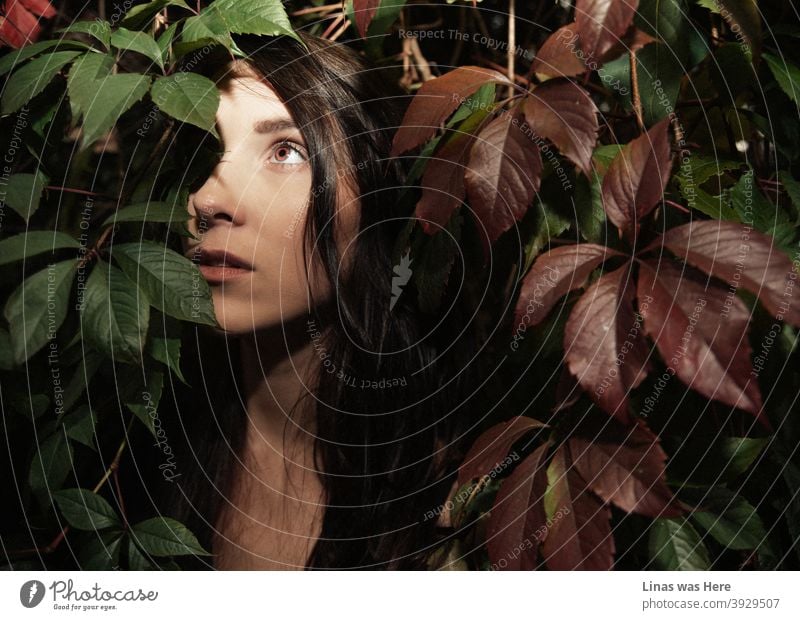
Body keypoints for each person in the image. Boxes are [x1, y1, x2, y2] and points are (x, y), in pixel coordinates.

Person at [146, 31, 485, 570]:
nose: (208, 201)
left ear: (379, 198)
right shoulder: (131, 460)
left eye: (285, 151)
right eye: (202, 151)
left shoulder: (465, 509)